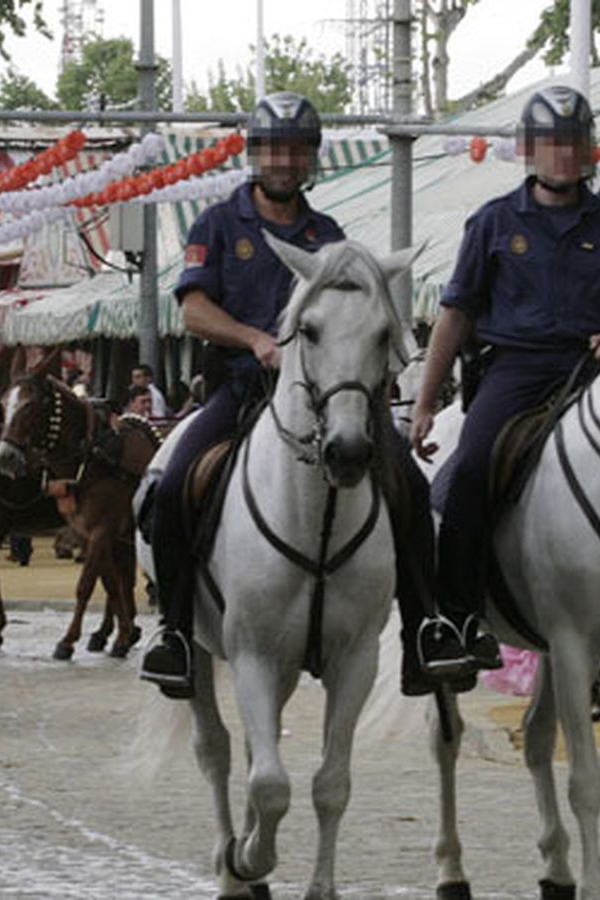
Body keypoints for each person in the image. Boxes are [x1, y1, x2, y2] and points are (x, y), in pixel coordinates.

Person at [139, 91, 478, 700]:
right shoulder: (217, 225)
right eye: (274, 149)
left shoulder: (329, 234)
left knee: (410, 487)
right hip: (241, 387)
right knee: (173, 486)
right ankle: (174, 632)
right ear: (254, 154)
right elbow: (192, 309)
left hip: (326, 394)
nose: (285, 162)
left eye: (297, 151)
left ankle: (425, 630)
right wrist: (255, 340)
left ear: (311, 159)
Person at [410, 84, 600, 685]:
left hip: (597, 366)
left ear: (589, 151)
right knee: (470, 469)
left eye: (574, 143)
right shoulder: (493, 222)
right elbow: (455, 314)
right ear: (529, 149)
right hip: (516, 368)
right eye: (552, 143)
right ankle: (458, 619)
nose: (564, 155)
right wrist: (424, 402)